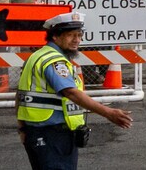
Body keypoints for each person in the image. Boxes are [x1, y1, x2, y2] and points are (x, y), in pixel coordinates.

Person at [15, 13, 131, 168]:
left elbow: (21, 96)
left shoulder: (39, 55)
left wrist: (22, 128)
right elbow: (70, 92)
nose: (77, 40)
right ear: (55, 37)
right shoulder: (54, 61)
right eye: (70, 35)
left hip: (42, 133)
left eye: (79, 35)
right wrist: (109, 113)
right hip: (52, 134)